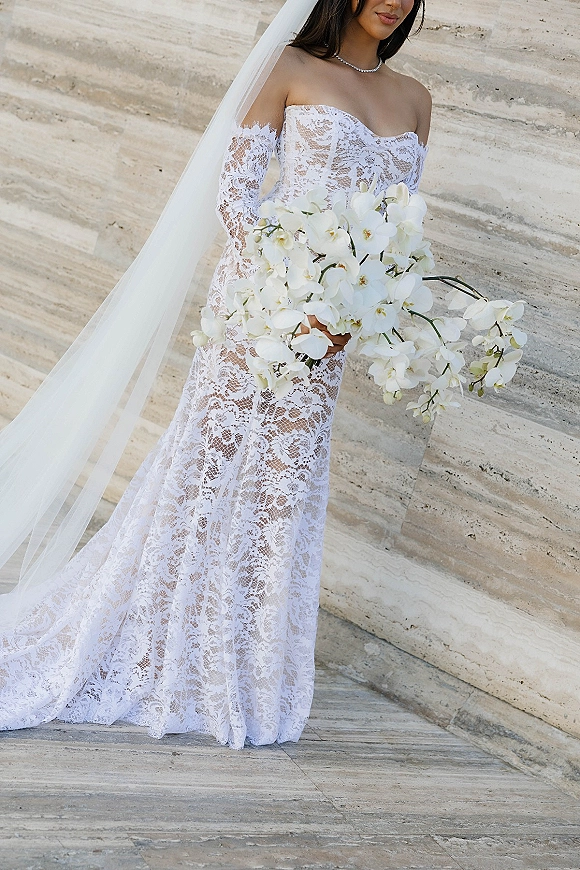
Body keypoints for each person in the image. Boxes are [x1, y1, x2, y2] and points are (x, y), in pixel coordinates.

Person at [0, 0, 429, 749]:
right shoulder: (288, 67)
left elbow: (398, 229)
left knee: (283, 488)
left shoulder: (416, 100)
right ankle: (151, 647)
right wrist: (295, 292)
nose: (393, 0)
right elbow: (236, 195)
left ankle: (243, 667)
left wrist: (359, 311)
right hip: (263, 309)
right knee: (207, 473)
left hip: (335, 333)